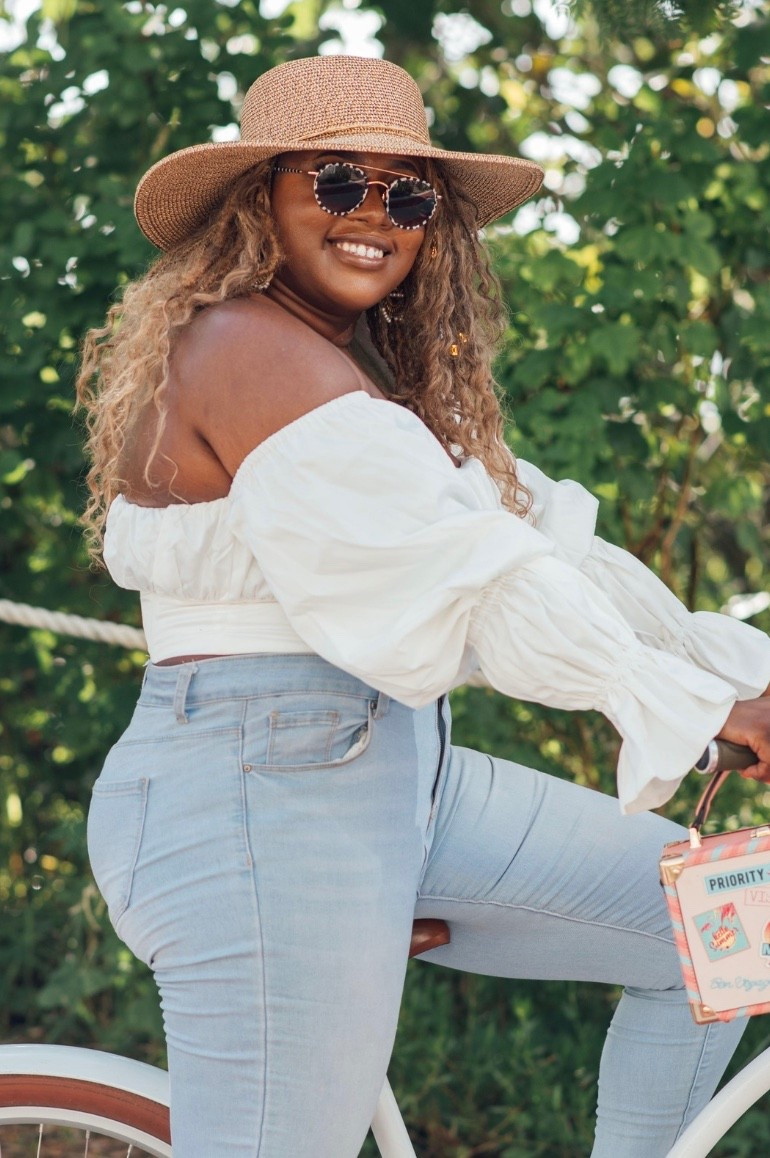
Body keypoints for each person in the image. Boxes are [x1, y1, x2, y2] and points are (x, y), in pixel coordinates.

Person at [75, 54, 770, 1158]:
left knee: (730, 930)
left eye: (406, 195)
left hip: (392, 773)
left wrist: (732, 677)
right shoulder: (245, 346)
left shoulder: (357, 376)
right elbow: (479, 582)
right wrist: (689, 704)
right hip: (264, 790)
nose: (375, 217)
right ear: (262, 198)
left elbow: (535, 543)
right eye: (336, 182)